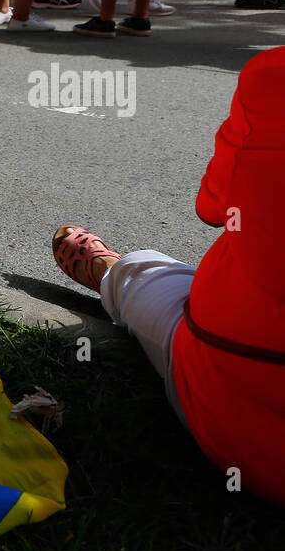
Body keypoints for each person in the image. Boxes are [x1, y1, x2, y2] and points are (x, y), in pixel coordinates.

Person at [51, 47, 285, 507]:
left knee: (147, 272)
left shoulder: (273, 76)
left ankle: (110, 272)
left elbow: (211, 207)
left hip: (241, 405)